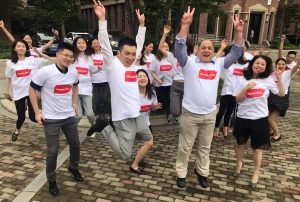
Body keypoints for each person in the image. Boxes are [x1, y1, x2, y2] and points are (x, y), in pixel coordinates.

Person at [174, 6, 245, 188]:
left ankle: (202, 171)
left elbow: (236, 51)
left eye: (209, 48)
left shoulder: (218, 63)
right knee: (185, 146)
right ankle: (181, 173)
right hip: (190, 114)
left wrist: (238, 32)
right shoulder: (188, 62)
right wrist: (185, 25)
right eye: (203, 47)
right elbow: (179, 47)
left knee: (205, 147)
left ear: (213, 51)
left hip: (209, 115)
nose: (206, 50)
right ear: (197, 51)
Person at [87, 0, 153, 174]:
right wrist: (102, 20)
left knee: (149, 140)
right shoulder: (112, 65)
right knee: (124, 154)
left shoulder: (132, 63)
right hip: (122, 117)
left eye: (133, 54)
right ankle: (105, 127)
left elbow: (138, 43)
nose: (131, 57)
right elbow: (105, 44)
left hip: (136, 114)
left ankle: (136, 162)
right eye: (127, 54)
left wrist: (142, 25)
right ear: (119, 53)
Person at [29, 42, 83, 197]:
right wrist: (37, 112)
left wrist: (74, 102)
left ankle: (73, 167)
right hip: (51, 118)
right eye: (65, 55)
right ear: (58, 54)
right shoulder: (45, 72)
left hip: (68, 117)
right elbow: (32, 90)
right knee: (53, 151)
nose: (68, 58)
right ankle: (51, 180)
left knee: (75, 144)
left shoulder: (73, 72)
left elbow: (75, 86)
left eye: (71, 56)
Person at [233, 55, 285, 189]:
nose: (259, 66)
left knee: (258, 148)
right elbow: (237, 100)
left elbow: (282, 93)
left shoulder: (267, 80)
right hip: (243, 117)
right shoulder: (242, 78)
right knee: (240, 143)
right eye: (257, 63)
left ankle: (256, 172)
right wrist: (246, 88)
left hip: (260, 119)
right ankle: (239, 163)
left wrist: (279, 79)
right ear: (252, 64)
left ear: (266, 67)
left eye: (263, 64)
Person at [4, 39, 46, 142]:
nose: (21, 48)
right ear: (14, 49)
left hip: (31, 93)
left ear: (26, 48)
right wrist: (6, 91)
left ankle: (51, 125)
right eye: (18, 46)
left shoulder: (32, 60)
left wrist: (38, 52)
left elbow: (46, 59)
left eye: (23, 46)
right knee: (21, 117)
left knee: (33, 117)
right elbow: (8, 77)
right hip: (19, 94)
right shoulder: (10, 63)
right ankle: (17, 130)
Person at [214, 51, 249, 140]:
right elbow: (215, 61)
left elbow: (254, 67)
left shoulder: (244, 65)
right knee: (221, 112)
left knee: (230, 112)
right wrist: (221, 50)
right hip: (227, 91)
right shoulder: (227, 64)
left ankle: (225, 128)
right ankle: (216, 129)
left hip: (237, 93)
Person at [268, 58, 300, 141]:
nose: (281, 66)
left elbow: (296, 66)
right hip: (271, 98)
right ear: (276, 65)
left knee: (271, 118)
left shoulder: (288, 73)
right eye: (279, 64)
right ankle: (271, 131)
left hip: (282, 99)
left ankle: (278, 134)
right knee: (268, 117)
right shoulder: (272, 74)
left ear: (285, 66)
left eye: (283, 64)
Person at [150, 25, 175, 124]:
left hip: (170, 84)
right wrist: (157, 79)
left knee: (170, 101)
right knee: (161, 102)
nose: (166, 49)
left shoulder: (171, 59)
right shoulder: (156, 60)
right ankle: (157, 116)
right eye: (164, 47)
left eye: (167, 47)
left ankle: (169, 115)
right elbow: (152, 72)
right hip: (159, 85)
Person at [72, 36, 98, 127]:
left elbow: (93, 70)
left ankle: (93, 126)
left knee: (90, 113)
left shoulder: (90, 58)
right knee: (78, 115)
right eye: (79, 43)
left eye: (83, 43)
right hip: (74, 90)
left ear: (86, 45)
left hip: (87, 89)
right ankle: (71, 131)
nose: (81, 45)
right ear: (75, 45)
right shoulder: (72, 58)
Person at [89, 38, 111, 120]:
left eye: (98, 43)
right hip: (95, 81)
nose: (96, 44)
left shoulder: (105, 55)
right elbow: (90, 69)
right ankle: (98, 114)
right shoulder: (91, 56)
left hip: (105, 80)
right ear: (92, 46)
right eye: (94, 43)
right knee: (97, 100)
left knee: (106, 99)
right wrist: (97, 68)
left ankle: (107, 113)